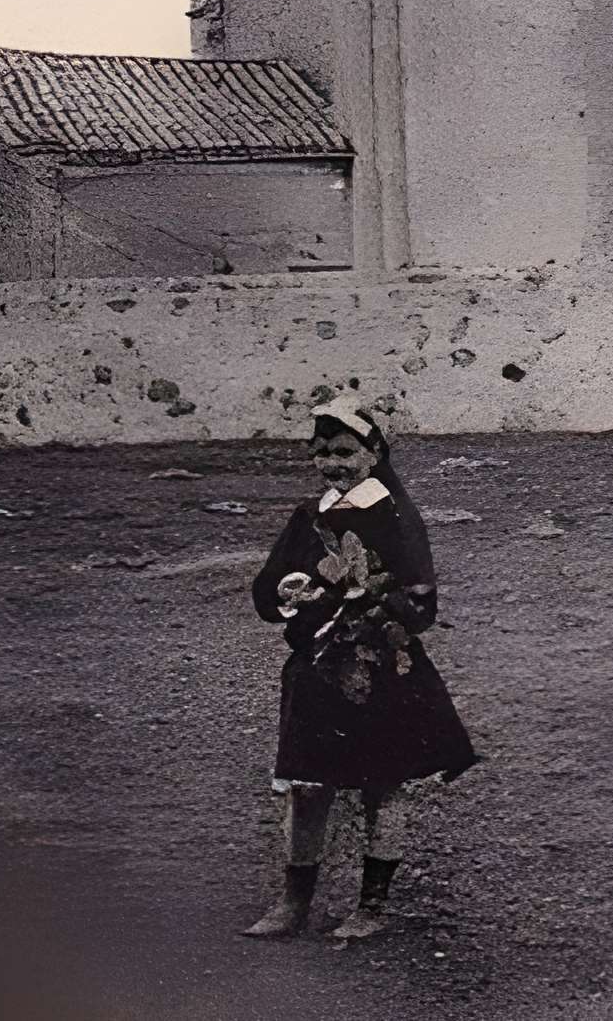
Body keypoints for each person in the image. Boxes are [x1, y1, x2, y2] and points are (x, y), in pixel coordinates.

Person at [242, 403, 480, 942]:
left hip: (382, 669)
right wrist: (286, 593)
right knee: (308, 786)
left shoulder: (394, 514)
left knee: (383, 785)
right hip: (316, 674)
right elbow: (267, 588)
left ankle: (372, 905)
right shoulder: (308, 517)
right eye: (322, 453)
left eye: (346, 452)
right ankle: (293, 903)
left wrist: (370, 606)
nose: (333, 464)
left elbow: (422, 605)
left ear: (373, 454)